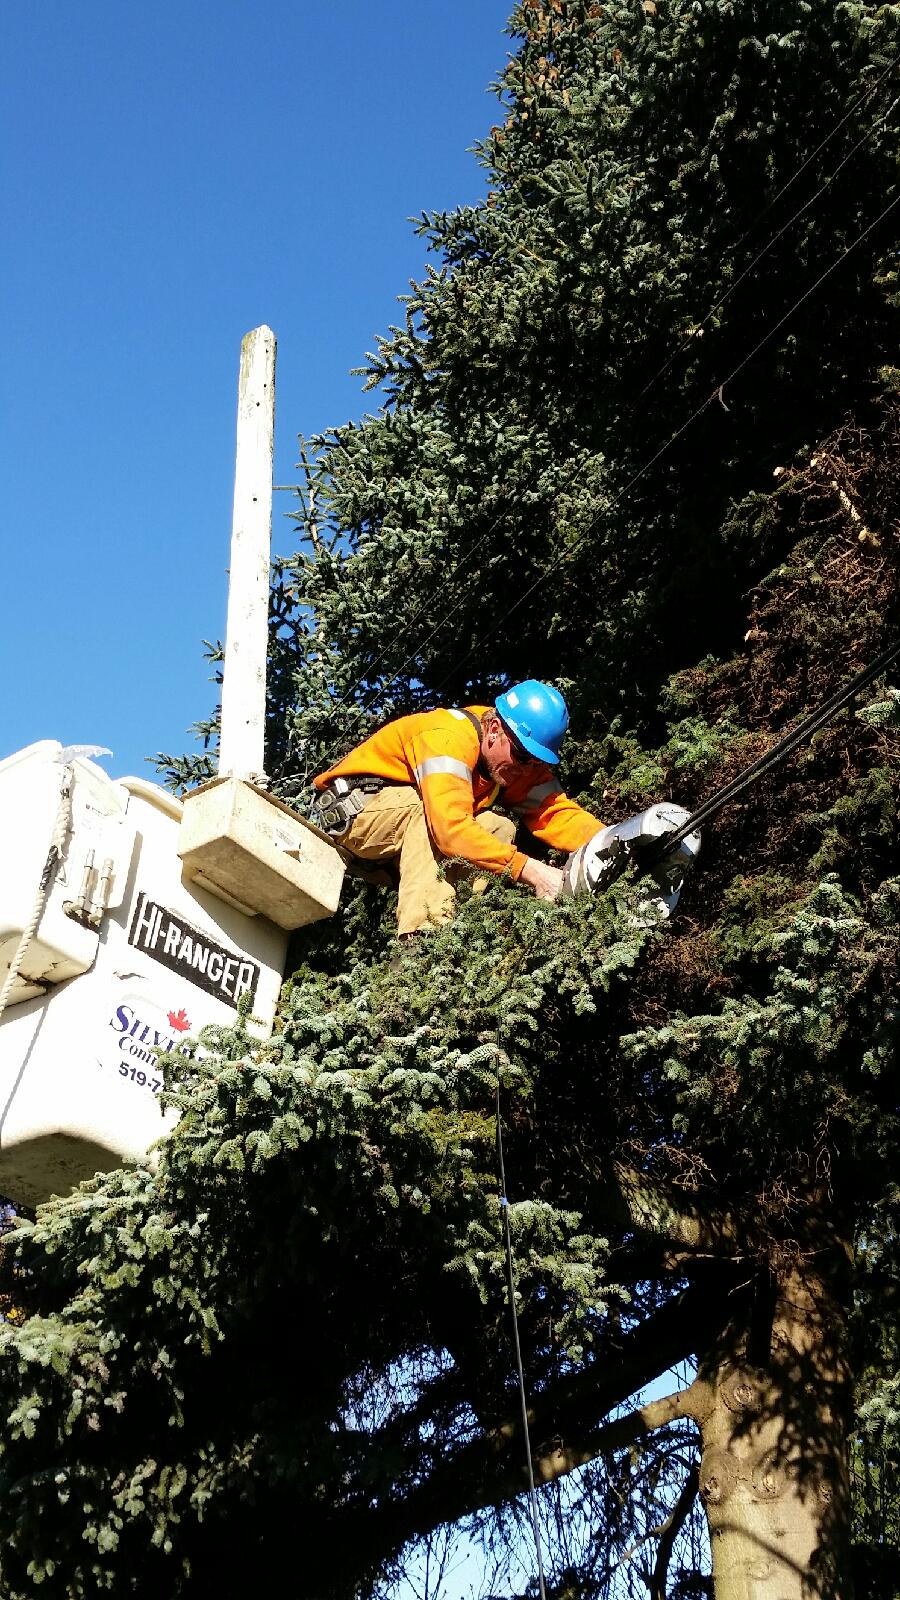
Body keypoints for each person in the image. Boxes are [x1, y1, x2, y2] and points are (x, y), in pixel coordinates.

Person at [313, 681, 605, 937]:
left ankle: (453, 935)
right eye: (522, 756)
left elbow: (555, 813)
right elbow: (449, 829)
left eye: (538, 762)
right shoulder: (449, 736)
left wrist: (614, 841)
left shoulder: (515, 762)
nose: (526, 768)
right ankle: (420, 945)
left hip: (397, 837)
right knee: (435, 814)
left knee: (498, 827)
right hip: (354, 814)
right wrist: (532, 871)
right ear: (494, 729)